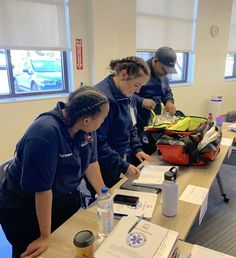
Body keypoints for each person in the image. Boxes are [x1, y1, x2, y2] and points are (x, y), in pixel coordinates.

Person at [0, 86, 109, 258]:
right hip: (25, 208)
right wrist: (44, 236)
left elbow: (91, 163)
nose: (103, 122)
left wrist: (105, 195)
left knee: (66, 247)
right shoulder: (44, 134)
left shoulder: (86, 130)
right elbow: (42, 189)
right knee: (37, 252)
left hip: (61, 199)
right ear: (86, 120)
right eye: (103, 119)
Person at [93, 56, 152, 188]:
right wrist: (123, 166)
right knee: (107, 199)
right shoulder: (102, 100)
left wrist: (137, 148)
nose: (138, 91)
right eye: (137, 85)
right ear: (123, 74)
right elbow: (99, 144)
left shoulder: (127, 92)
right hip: (104, 163)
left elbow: (131, 124)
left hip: (120, 156)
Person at [136, 47, 177, 135]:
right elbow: (128, 95)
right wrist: (142, 101)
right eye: (164, 69)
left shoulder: (162, 73)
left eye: (168, 71)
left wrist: (169, 101)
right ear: (155, 61)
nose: (166, 73)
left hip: (158, 120)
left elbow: (167, 91)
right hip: (141, 121)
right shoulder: (139, 72)